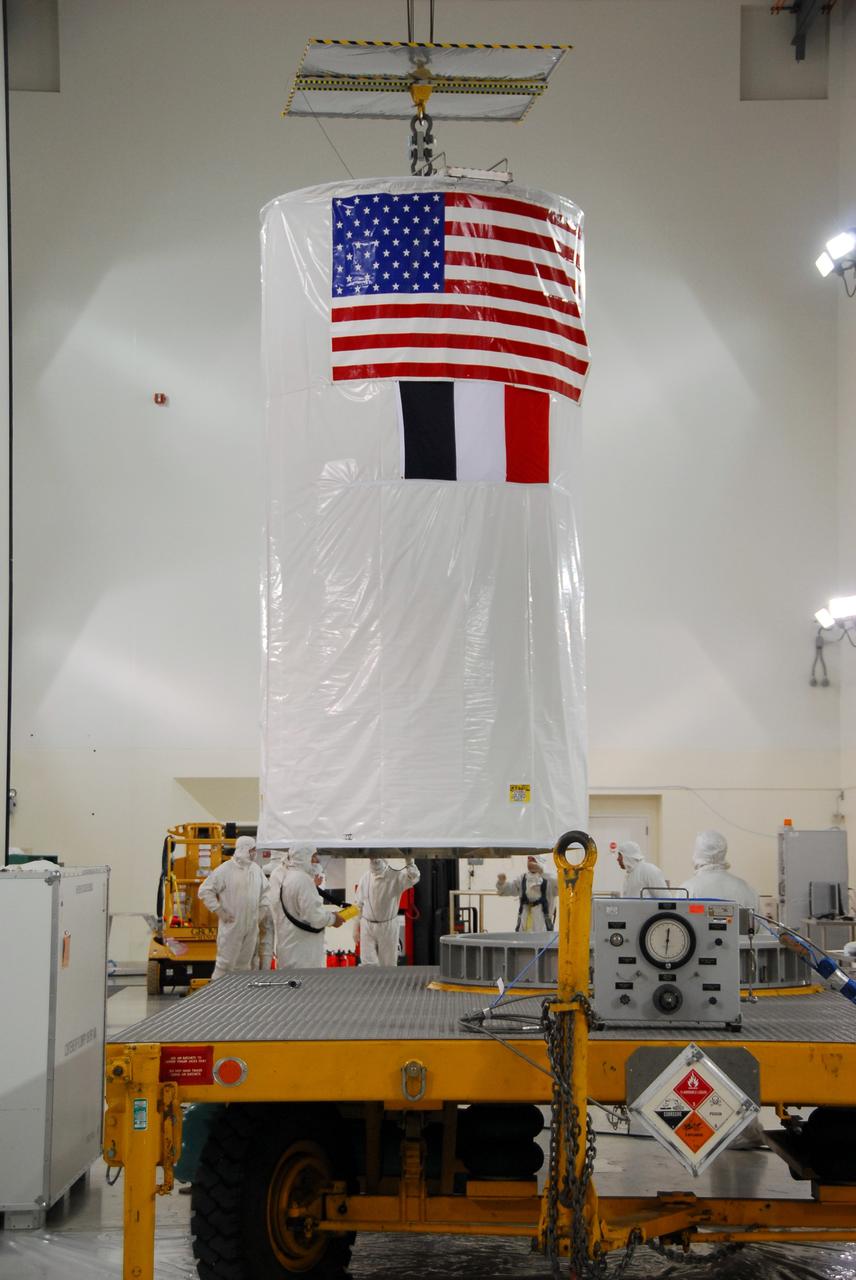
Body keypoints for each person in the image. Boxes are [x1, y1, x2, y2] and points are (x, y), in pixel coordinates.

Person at [198, 836, 273, 981]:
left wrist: (261, 911)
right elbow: (205, 891)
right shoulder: (225, 870)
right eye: (251, 850)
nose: (254, 853)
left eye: (254, 850)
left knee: (244, 964)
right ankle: (216, 995)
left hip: (251, 926)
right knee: (224, 964)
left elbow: (266, 892)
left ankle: (239, 996)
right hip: (232, 925)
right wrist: (219, 911)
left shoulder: (256, 869)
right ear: (243, 849)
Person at [269, 844, 346, 968]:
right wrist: (333, 919)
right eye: (314, 856)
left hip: (290, 949)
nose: (317, 860)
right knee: (308, 986)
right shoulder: (302, 880)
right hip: (303, 955)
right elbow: (315, 917)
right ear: (304, 857)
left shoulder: (289, 878)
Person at [355, 856, 420, 966]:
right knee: (367, 964)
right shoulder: (365, 877)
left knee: (388, 963)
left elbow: (414, 878)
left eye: (377, 857)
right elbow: (358, 904)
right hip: (367, 926)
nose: (374, 860)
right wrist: (355, 926)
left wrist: (410, 863)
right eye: (372, 858)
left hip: (387, 926)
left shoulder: (395, 877)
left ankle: (388, 983)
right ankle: (371, 983)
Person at [680, 830, 759, 911]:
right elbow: (760, 923)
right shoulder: (746, 889)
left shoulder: (688, 889)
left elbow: (677, 921)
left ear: (698, 852)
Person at [496, 855, 558, 931]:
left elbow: (562, 885)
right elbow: (509, 890)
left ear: (539, 861)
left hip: (542, 930)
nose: (529, 862)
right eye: (528, 859)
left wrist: (542, 871)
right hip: (523, 928)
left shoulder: (549, 879)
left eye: (532, 859)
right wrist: (501, 883)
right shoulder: (523, 878)